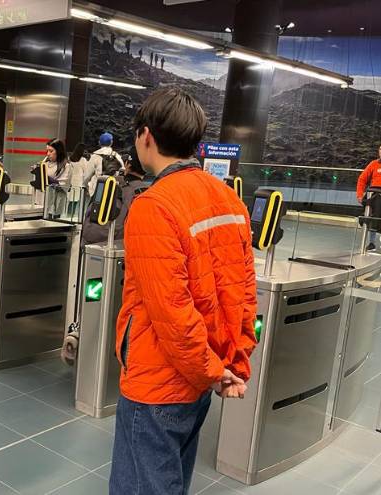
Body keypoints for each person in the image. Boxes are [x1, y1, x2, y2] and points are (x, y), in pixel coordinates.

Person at [109, 88, 257, 495]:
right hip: (200, 379)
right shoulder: (230, 200)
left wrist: (212, 371)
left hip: (157, 383)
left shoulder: (153, 205)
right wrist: (231, 364)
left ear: (145, 136)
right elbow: (244, 292)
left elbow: (172, 313)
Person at [82, 146, 146, 245]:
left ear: (127, 165)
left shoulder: (110, 185)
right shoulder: (147, 191)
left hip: (99, 242)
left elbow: (91, 220)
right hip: (125, 245)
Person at [356, 145, 381, 250]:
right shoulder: (373, 164)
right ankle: (372, 243)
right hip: (374, 195)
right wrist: (360, 194)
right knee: (371, 217)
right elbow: (362, 179)